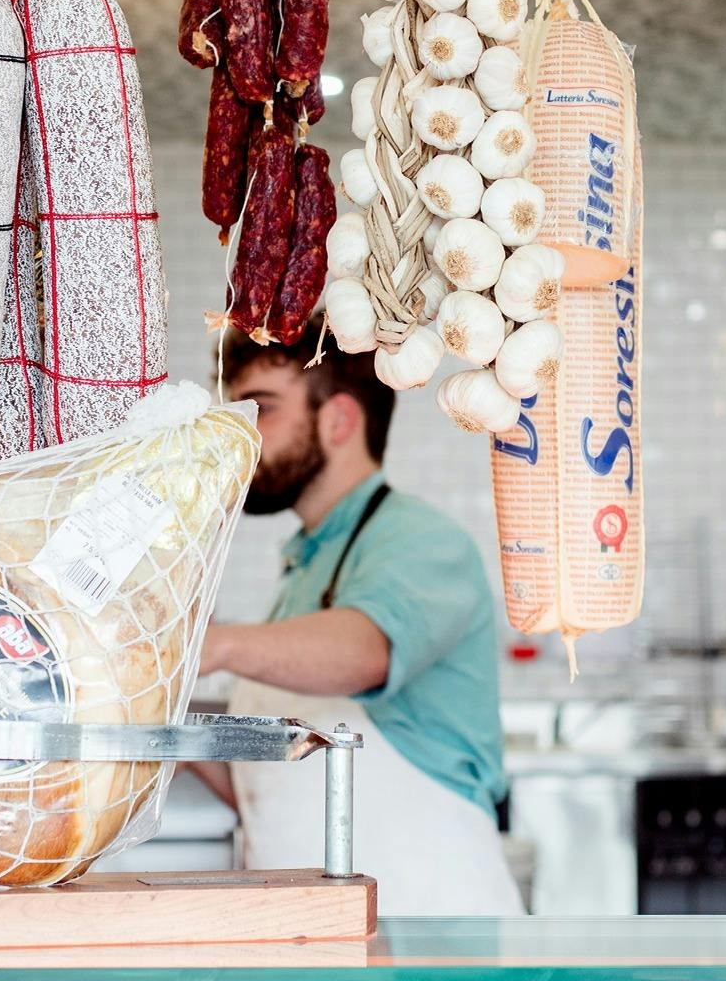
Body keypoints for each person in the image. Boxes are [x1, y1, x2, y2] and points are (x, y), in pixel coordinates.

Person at [194, 328, 521, 915]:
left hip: (429, 928)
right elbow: (273, 786)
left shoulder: (420, 539)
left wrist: (211, 645)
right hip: (321, 932)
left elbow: (366, 651)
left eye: (260, 408)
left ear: (339, 421)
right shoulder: (304, 564)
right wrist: (156, 712)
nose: (238, 433)